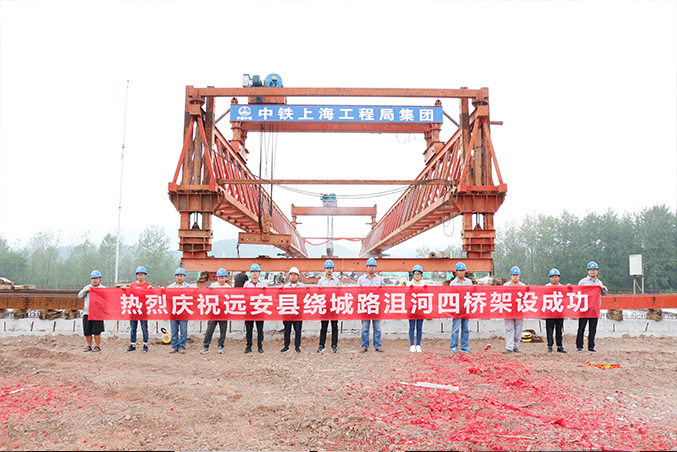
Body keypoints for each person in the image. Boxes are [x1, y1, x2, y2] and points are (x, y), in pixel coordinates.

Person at [576, 261, 608, 353]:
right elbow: (577, 293)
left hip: (594, 309)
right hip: (584, 308)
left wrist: (603, 288)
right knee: (581, 328)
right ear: (588, 271)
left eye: (594, 270)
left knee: (592, 329)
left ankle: (591, 346)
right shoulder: (583, 282)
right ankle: (579, 346)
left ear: (597, 271)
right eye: (591, 270)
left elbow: (604, 293)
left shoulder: (599, 282)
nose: (593, 271)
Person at [357, 257, 384, 352]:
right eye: (369, 266)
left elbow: (385, 291)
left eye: (373, 266)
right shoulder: (361, 279)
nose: (371, 268)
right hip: (365, 306)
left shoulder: (379, 279)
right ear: (366, 267)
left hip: (376, 306)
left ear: (376, 268)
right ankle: (364, 345)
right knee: (365, 328)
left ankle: (378, 345)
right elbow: (356, 292)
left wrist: (381, 288)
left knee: (377, 328)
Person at [200, 268, 229, 355]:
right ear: (217, 278)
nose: (221, 279)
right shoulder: (213, 285)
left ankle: (220, 346)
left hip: (223, 312)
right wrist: (208, 288)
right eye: (219, 277)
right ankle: (206, 346)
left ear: (225, 278)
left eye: (222, 277)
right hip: (213, 311)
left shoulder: (228, 287)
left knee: (223, 330)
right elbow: (203, 291)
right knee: (209, 329)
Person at [167, 267, 195, 354]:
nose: (179, 277)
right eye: (177, 276)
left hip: (184, 311)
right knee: (174, 331)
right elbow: (166, 297)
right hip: (174, 311)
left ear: (184, 276)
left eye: (181, 276)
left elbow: (194, 295)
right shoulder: (171, 287)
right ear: (175, 276)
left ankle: (182, 346)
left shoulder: (188, 287)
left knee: (183, 331)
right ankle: (174, 346)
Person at [78, 270, 105, 353]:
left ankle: (97, 346)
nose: (95, 280)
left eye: (97, 278)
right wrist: (85, 291)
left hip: (97, 313)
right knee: (87, 331)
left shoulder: (103, 289)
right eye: (93, 279)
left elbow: (107, 298)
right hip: (87, 312)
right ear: (91, 279)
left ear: (100, 279)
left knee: (97, 331)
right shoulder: (87, 287)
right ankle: (89, 346)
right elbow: (79, 296)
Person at [449, 262, 473, 354]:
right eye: (460, 271)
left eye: (463, 270)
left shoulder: (469, 282)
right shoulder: (453, 283)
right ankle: (454, 346)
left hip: (466, 308)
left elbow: (471, 294)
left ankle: (464, 346)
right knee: (455, 328)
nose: (461, 272)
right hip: (457, 309)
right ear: (456, 272)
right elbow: (450, 296)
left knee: (465, 328)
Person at [317, 259, 340, 353]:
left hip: (334, 306)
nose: (329, 270)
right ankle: (321, 345)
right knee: (324, 326)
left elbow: (340, 294)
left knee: (334, 326)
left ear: (333, 269)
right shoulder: (321, 281)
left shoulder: (337, 281)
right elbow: (317, 294)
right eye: (327, 268)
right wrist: (319, 289)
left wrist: (339, 289)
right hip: (324, 306)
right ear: (324, 269)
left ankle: (334, 345)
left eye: (330, 268)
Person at [244, 263, 267, 354]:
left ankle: (260, 346)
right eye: (253, 271)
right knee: (249, 330)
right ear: (250, 273)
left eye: (256, 271)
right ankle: (248, 346)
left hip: (259, 310)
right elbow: (243, 296)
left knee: (260, 329)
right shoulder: (246, 284)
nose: (254, 273)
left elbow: (268, 296)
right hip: (249, 310)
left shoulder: (264, 284)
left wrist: (265, 290)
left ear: (259, 273)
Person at [127, 266, 152, 353]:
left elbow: (152, 294)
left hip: (143, 310)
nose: (140, 276)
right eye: (138, 274)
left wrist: (150, 290)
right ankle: (133, 344)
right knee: (133, 328)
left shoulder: (148, 285)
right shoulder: (133, 285)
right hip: (134, 309)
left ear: (145, 275)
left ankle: (145, 344)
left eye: (142, 274)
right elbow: (128, 294)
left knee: (144, 328)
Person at [503, 266, 526, 354]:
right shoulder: (505, 286)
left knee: (518, 329)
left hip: (519, 310)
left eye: (517, 275)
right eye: (513, 275)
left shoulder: (523, 286)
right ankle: (509, 347)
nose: (515, 277)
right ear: (510, 276)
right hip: (508, 310)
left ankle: (516, 346)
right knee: (509, 328)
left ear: (519, 276)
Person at [281, 267, 304, 353]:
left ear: (298, 276)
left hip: (298, 311)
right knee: (287, 329)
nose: (293, 276)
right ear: (289, 276)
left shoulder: (302, 286)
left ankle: (297, 346)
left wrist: (308, 289)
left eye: (295, 275)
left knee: (298, 330)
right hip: (287, 311)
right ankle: (286, 346)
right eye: (291, 275)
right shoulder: (285, 287)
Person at [545, 268, 567, 353]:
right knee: (549, 330)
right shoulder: (546, 287)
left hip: (559, 312)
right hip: (549, 312)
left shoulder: (562, 287)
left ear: (559, 277)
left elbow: (567, 297)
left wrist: (569, 288)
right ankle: (550, 346)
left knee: (559, 330)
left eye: (556, 277)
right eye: (553, 277)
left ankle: (559, 346)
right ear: (550, 278)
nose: (554, 278)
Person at [408, 264, 425, 353]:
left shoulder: (424, 284)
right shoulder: (409, 284)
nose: (417, 275)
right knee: (411, 326)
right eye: (415, 274)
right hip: (411, 308)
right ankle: (412, 344)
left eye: (419, 274)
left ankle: (418, 344)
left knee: (419, 327)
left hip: (420, 308)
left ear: (421, 275)